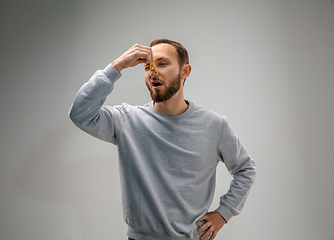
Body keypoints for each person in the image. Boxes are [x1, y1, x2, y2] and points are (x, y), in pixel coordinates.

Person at [69, 39, 256, 240]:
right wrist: (117, 66)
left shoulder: (214, 125)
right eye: (147, 66)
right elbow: (80, 113)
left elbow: (245, 169)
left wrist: (224, 213)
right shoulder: (127, 120)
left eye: (162, 63)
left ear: (185, 71)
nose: (153, 72)